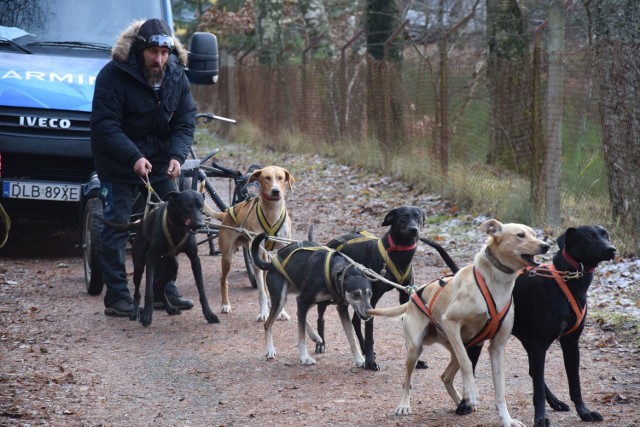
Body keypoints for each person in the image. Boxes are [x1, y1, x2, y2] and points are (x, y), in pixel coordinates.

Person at [91, 18, 196, 316]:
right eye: (153, 52)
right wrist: (134, 157)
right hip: (118, 162)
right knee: (118, 225)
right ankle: (117, 296)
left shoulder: (177, 76)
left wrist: (178, 155)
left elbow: (186, 121)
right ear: (139, 49)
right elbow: (105, 125)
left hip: (161, 162)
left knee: (175, 221)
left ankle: (164, 288)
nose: (159, 59)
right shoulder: (113, 75)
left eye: (164, 53)